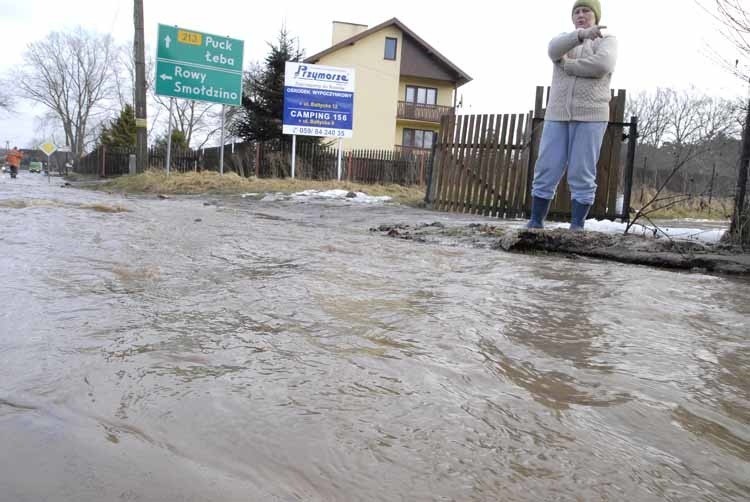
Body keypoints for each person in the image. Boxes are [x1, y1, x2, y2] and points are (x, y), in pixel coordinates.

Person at [527, 0, 618, 230]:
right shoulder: (564, 40)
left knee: (582, 170)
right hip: (557, 114)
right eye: (576, 11)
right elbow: (552, 50)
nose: (580, 14)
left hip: (592, 115)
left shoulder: (607, 40)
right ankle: (536, 222)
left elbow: (602, 65)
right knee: (546, 167)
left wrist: (569, 66)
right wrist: (580, 35)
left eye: (586, 10)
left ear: (595, 15)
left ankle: (577, 226)